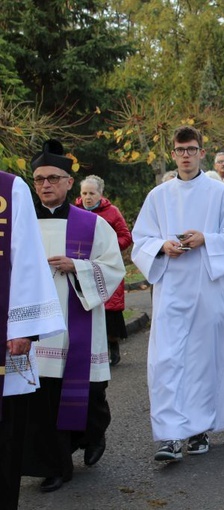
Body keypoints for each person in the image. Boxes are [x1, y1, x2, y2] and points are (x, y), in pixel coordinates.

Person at [131, 125, 224, 462]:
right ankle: (168, 435)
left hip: (208, 290)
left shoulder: (221, 194)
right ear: (173, 153)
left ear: (201, 152)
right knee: (165, 361)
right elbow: (141, 240)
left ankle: (197, 431)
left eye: (191, 149)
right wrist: (162, 245)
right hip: (171, 291)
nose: (185, 155)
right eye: (180, 150)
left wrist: (206, 239)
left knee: (201, 361)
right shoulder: (158, 196)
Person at [24, 140, 125, 493]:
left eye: (53, 178)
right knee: (43, 399)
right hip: (35, 325)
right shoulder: (22, 224)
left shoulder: (92, 225)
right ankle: (55, 464)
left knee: (90, 394)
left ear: (69, 182)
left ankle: (94, 434)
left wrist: (78, 266)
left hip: (77, 323)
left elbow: (114, 268)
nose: (45, 185)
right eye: (38, 179)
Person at [1, 170, 65, 510]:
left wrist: (22, 328)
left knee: (6, 431)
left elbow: (25, 257)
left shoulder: (10, 188)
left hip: (6, 334)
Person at [75, 175, 133, 366]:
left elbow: (125, 236)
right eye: (84, 193)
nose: (88, 197)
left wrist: (108, 249)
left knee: (109, 313)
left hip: (106, 266)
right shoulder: (74, 211)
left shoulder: (112, 212)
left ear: (100, 194)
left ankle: (113, 345)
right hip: (81, 267)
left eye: (92, 193)